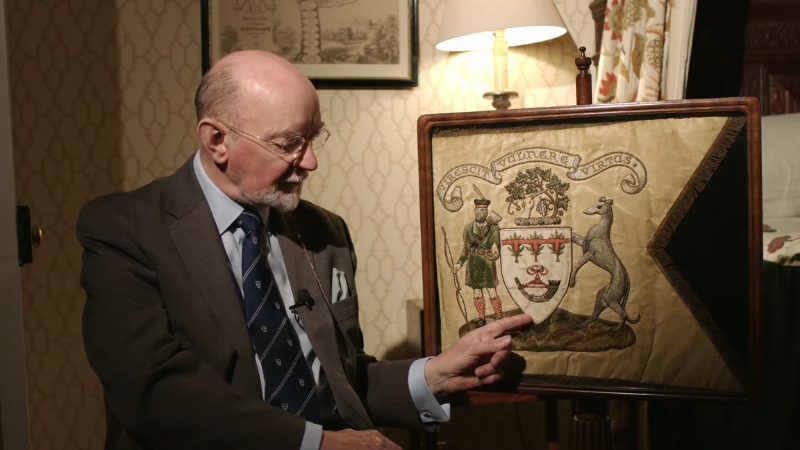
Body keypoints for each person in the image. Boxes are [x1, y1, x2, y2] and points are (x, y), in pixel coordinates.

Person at [77, 49, 532, 450]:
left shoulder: (324, 232)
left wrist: (435, 374)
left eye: (314, 137)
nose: (310, 161)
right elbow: (155, 394)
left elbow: (339, 380)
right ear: (217, 140)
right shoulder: (125, 229)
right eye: (289, 143)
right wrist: (315, 444)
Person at [454, 198, 503, 326]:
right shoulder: (468, 229)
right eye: (477, 209)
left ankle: (499, 316)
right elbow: (466, 249)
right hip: (473, 262)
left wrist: (496, 255)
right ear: (474, 210)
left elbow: (499, 246)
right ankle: (481, 318)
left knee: (492, 291)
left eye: (483, 210)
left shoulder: (494, 229)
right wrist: (459, 262)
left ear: (487, 212)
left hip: (487, 262)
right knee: (477, 292)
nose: (480, 212)